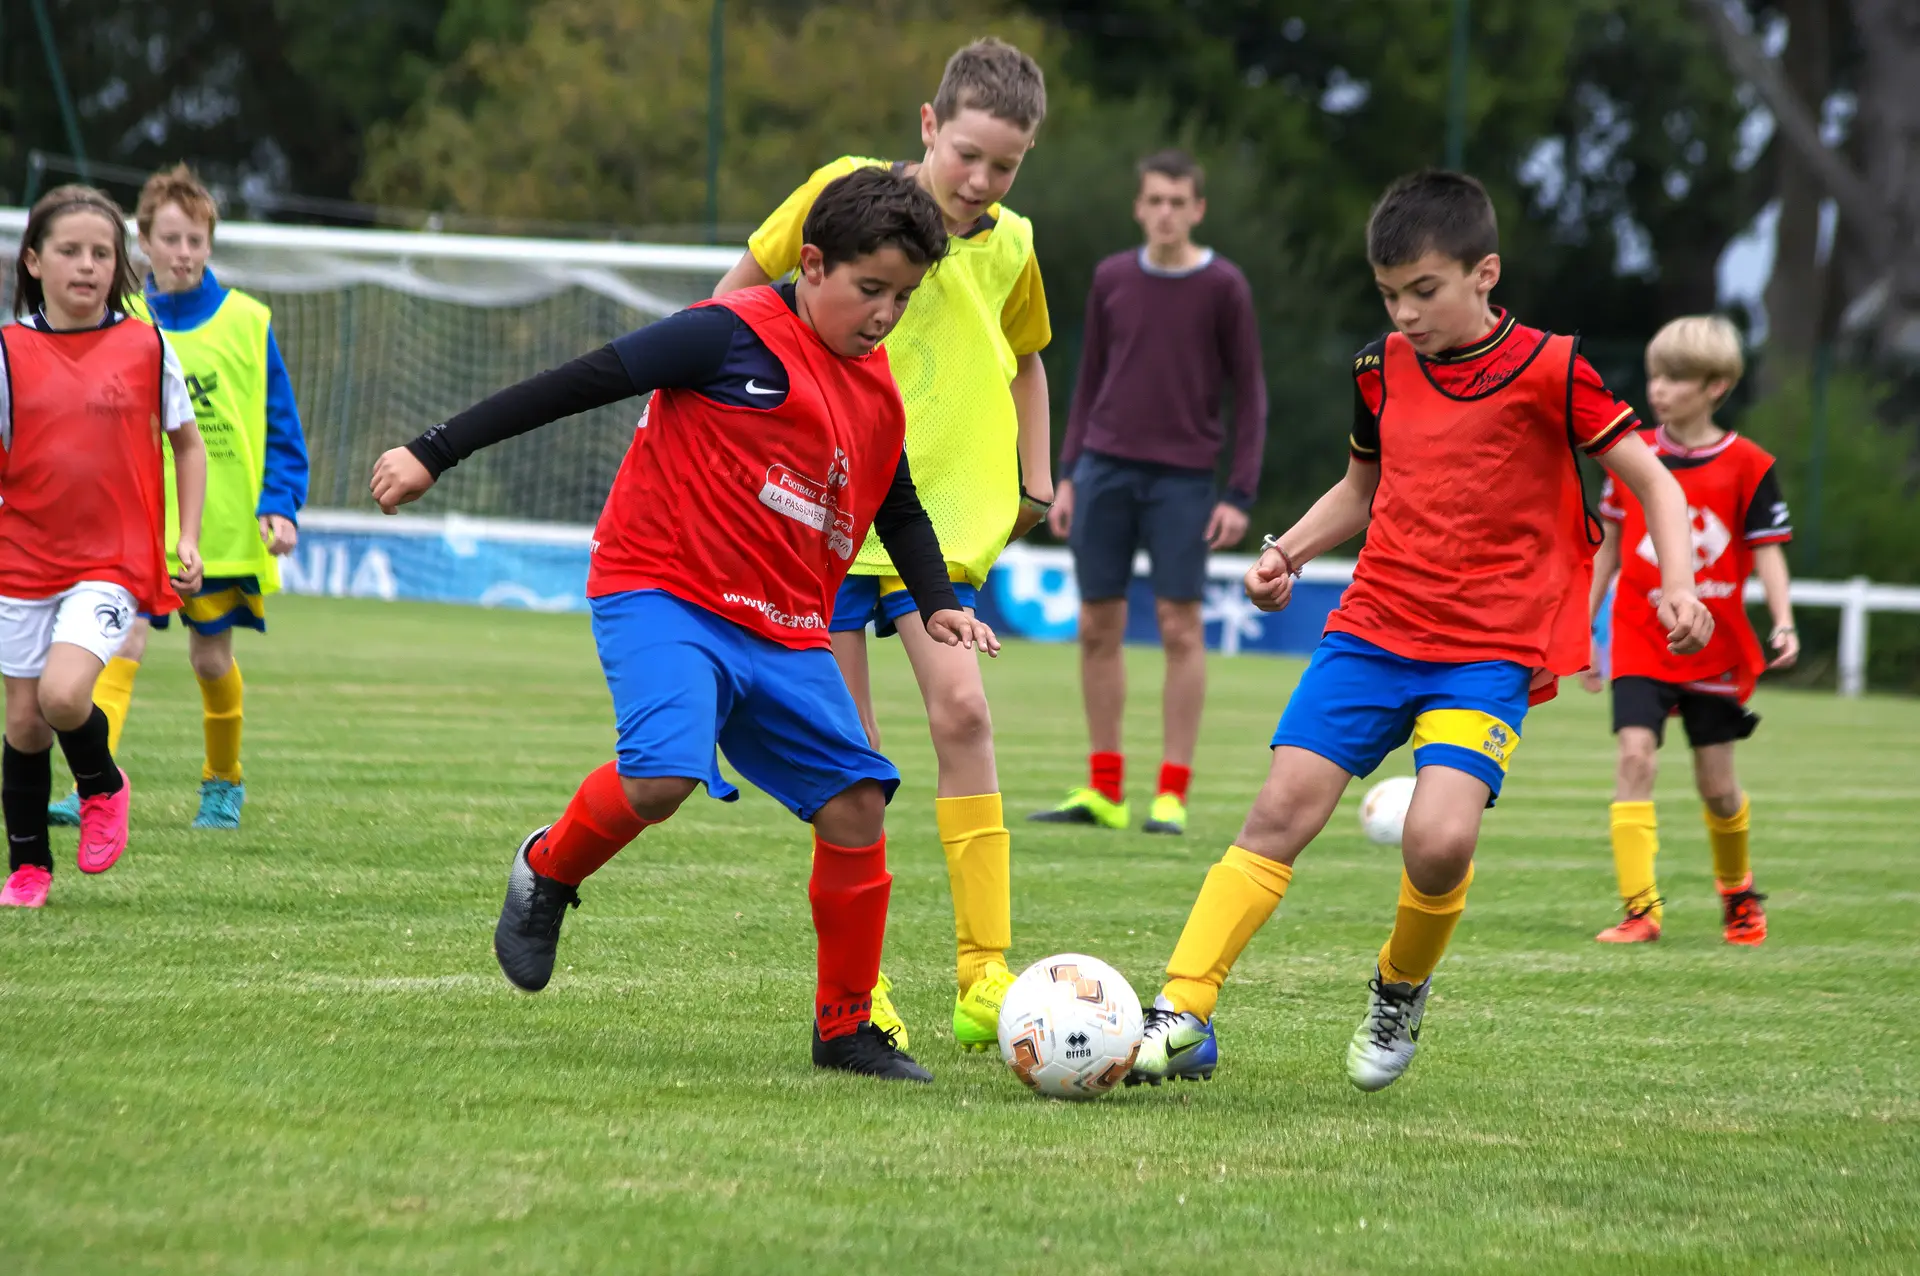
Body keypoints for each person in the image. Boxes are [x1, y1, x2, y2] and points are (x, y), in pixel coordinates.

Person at [369, 168, 996, 1082]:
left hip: (783, 626)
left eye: (903, 297)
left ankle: (846, 1028)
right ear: (812, 263)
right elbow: (580, 382)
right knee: (663, 775)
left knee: (859, 803)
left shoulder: (875, 389)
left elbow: (895, 502)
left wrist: (940, 602)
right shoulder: (726, 334)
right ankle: (548, 868)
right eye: (871, 291)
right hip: (663, 589)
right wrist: (434, 451)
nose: (886, 315)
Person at [1123, 170, 1715, 1093]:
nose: (1404, 314)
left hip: (1487, 653)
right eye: (1389, 294)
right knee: (1279, 810)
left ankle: (1399, 988)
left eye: (1424, 292)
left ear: (1485, 274)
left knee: (1439, 841)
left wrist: (1675, 586)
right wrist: (1286, 550)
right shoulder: (1379, 369)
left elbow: (1657, 482)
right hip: (1374, 628)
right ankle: (1182, 1011)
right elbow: (1362, 488)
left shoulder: (1554, 369)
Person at [712, 37, 1051, 1053]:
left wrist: (1038, 475)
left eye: (1007, 166)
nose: (983, 182)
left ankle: (985, 974)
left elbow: (1029, 359)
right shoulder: (836, 195)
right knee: (849, 760)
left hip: (931, 522)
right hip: (816, 515)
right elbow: (740, 294)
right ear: (928, 126)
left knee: (963, 710)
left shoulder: (1014, 245)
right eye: (970, 157)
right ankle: (864, 990)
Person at [47, 164, 307, 832]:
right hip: (129, 522)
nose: (183, 252)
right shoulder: (118, 321)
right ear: (145, 243)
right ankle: (90, 786)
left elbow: (282, 423)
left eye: (195, 239)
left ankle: (223, 783)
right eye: (170, 239)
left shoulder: (249, 322)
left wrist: (281, 501)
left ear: (209, 245)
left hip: (220, 529)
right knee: (120, 642)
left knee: (209, 657)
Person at [1033, 148, 1268, 836]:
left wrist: (1240, 492)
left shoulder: (1225, 286)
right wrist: (1068, 472)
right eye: (1154, 200)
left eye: (1178, 202)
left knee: (1179, 628)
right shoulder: (1110, 278)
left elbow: (1249, 395)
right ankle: (1105, 790)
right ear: (1139, 207)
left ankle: (1171, 793)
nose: (1165, 213)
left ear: (1197, 209)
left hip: (1184, 480)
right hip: (1103, 468)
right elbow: (1089, 381)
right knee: (1096, 626)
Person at [0, 185, 207, 909]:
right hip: (22, 559)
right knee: (23, 721)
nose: (86, 266)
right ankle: (27, 867)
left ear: (118, 264)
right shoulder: (8, 350)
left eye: (101, 253)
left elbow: (187, 442)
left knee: (62, 696)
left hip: (111, 561)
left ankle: (101, 783)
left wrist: (184, 535)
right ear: (33, 260)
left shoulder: (145, 346)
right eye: (69, 251)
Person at [1583, 315, 1793, 946]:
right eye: (1655, 375)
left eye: (1676, 378)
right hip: (1640, 636)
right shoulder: (1629, 454)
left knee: (1718, 786)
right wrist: (1582, 628)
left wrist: (1783, 623)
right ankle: (1640, 910)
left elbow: (1770, 552)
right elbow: (1609, 549)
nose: (1659, 389)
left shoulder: (1751, 465)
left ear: (1717, 387)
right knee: (1633, 755)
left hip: (1714, 645)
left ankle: (1737, 895)